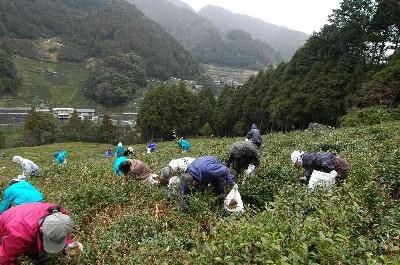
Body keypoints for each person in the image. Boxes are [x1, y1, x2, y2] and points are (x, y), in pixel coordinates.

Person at [0, 202, 83, 264]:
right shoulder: (18, 234)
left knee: (39, 253)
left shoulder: (60, 215)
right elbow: (4, 258)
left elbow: (60, 228)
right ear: (41, 230)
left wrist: (68, 244)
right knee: (9, 255)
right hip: (6, 223)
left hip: (27, 217)